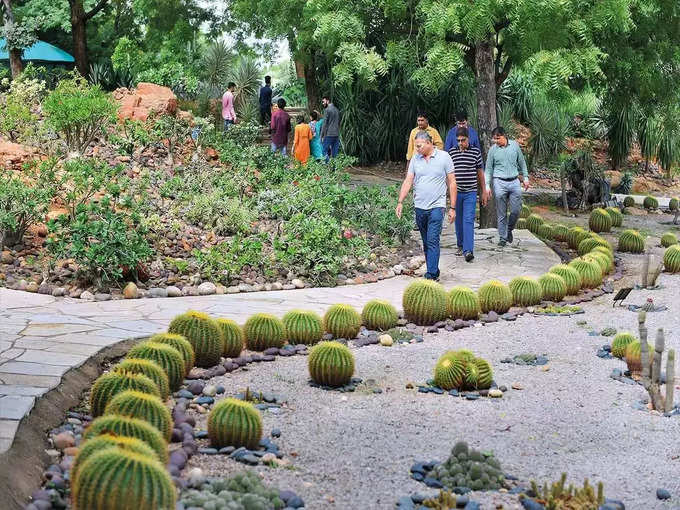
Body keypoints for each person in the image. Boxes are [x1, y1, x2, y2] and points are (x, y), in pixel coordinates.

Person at [396, 131, 457, 281]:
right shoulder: (415, 159)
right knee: (425, 241)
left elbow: (452, 182)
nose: (417, 149)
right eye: (416, 146)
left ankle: (431, 274)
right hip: (420, 207)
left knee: (432, 239)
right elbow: (408, 181)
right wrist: (400, 201)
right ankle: (432, 270)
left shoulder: (444, 157)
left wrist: (453, 207)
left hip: (437, 206)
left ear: (429, 143)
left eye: (419, 146)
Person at [484, 126, 529, 246]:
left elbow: (522, 162)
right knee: (501, 212)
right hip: (499, 181)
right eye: (494, 139)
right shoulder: (493, 150)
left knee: (516, 210)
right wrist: (487, 185)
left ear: (505, 136)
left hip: (514, 181)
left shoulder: (515, 146)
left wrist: (525, 178)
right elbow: (488, 169)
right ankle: (503, 237)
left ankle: (509, 229)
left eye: (498, 138)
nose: (496, 141)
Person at [448, 127, 487, 262]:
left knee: (468, 220)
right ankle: (460, 245)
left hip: (470, 192)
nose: (460, 143)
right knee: (458, 221)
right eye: (458, 140)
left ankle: (468, 250)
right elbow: (448, 175)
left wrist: (483, 191)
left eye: (463, 140)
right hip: (456, 193)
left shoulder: (475, 152)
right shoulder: (451, 153)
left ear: (468, 139)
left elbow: (480, 173)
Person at [320, 96, 340, 162]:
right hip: (336, 134)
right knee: (335, 153)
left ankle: (328, 164)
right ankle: (333, 169)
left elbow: (324, 124)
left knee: (324, 151)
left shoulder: (327, 110)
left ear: (328, 101)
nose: (323, 103)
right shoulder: (336, 109)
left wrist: (321, 136)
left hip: (329, 134)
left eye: (323, 101)